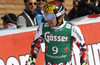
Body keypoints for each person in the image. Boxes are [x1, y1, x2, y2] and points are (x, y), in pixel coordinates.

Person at [26, 1, 88, 65]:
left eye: (51, 17)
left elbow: (83, 47)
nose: (48, 20)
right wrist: (31, 59)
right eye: (46, 16)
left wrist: (84, 61)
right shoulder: (43, 27)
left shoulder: (72, 29)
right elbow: (35, 44)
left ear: (59, 17)